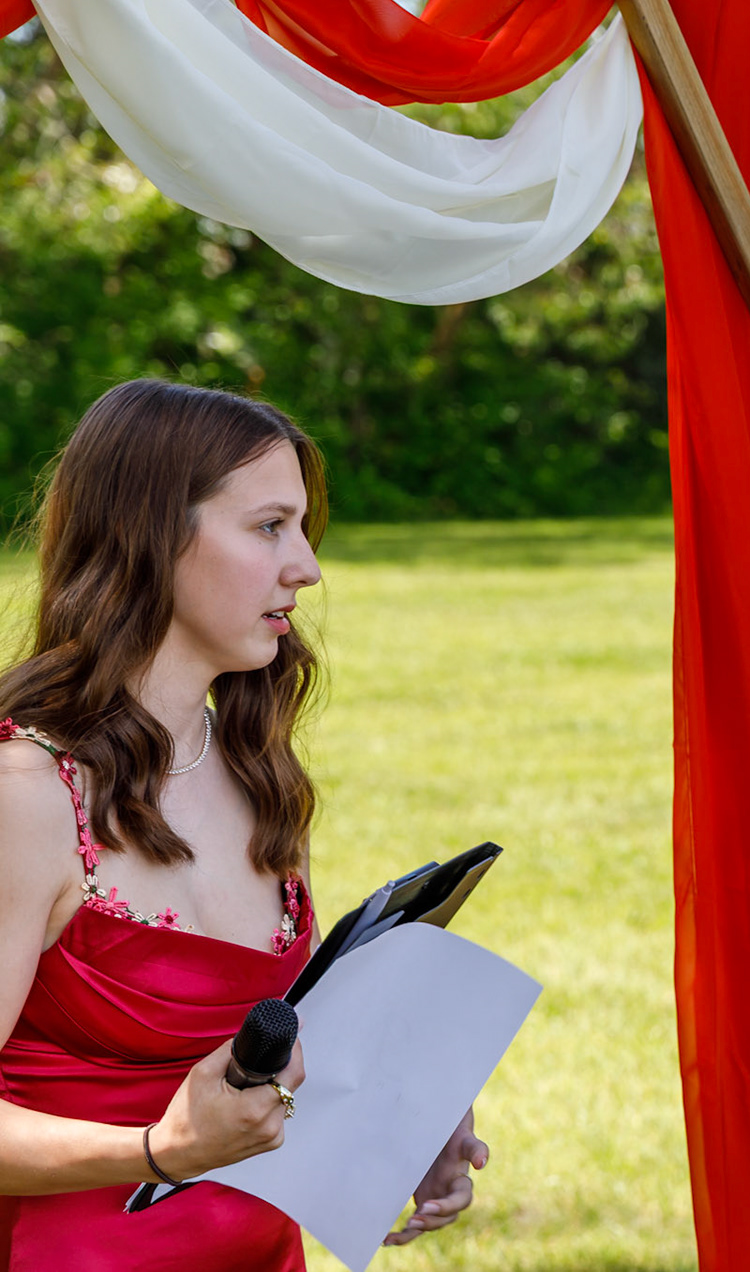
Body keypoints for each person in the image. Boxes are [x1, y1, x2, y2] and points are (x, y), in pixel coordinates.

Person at [0, 379, 484, 1269]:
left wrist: (405, 1117)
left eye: (302, 529)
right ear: (151, 534)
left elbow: (284, 1044)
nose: (307, 567)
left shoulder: (259, 770)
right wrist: (159, 1151)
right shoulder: (25, 794)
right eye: (269, 527)